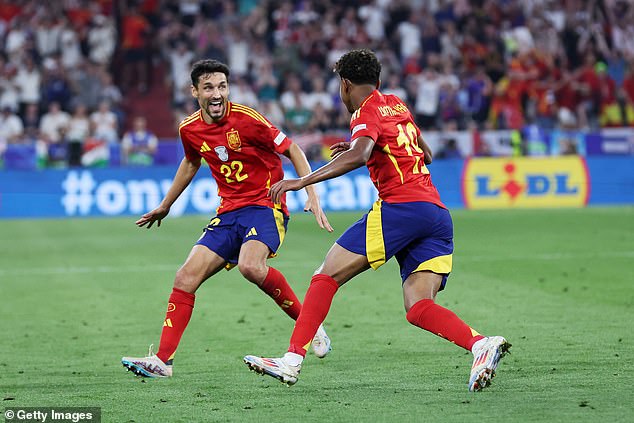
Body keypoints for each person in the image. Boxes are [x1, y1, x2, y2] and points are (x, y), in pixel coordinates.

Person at [244, 49, 510, 392]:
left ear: (345, 85)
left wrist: (302, 181)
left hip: (401, 207)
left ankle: (291, 360)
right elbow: (425, 155)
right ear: (379, 81)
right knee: (418, 307)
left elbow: (361, 155)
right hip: (436, 214)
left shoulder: (364, 110)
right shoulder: (396, 103)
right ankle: (481, 344)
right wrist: (367, 146)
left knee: (325, 276)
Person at [121, 59, 333, 378]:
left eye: (222, 86)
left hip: (266, 204)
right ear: (195, 91)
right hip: (228, 212)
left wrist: (310, 192)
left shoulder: (248, 119)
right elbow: (191, 163)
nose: (217, 93)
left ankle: (311, 326)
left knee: (250, 266)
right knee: (185, 277)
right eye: (209, 87)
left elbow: (293, 150)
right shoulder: (189, 128)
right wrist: (166, 204)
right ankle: (163, 361)